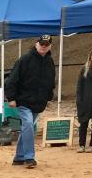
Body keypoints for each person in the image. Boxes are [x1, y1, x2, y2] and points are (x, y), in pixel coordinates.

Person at [4, 34, 55, 169]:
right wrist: (11, 97)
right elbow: (11, 80)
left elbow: (51, 81)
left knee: (28, 127)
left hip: (39, 102)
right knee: (27, 125)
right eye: (42, 44)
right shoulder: (24, 60)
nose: (44, 47)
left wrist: (49, 97)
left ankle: (19, 157)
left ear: (50, 46)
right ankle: (29, 157)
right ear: (36, 43)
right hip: (23, 100)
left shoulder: (50, 62)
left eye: (46, 45)